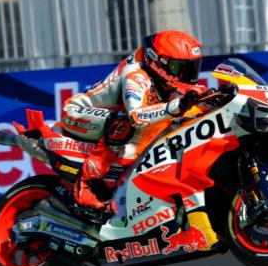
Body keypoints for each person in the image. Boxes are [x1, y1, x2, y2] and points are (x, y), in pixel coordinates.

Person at [60, 30, 208, 211]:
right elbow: (136, 116)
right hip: (77, 114)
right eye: (180, 68)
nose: (187, 75)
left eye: (191, 67)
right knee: (121, 123)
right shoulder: (136, 75)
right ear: (158, 61)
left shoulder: (161, 76)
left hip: (109, 117)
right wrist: (177, 106)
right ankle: (85, 185)